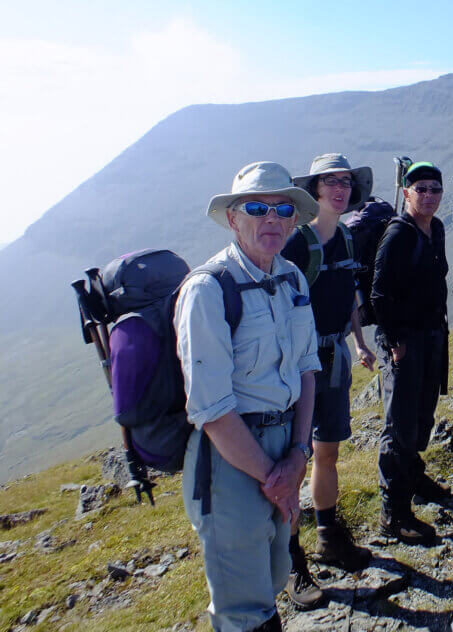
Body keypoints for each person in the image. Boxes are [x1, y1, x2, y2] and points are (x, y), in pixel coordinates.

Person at [175, 161, 320, 632]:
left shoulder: (293, 279)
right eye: (256, 207)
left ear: (295, 220)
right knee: (244, 610)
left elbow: (307, 369)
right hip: (230, 462)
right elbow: (213, 411)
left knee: (274, 577)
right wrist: (274, 477)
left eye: (282, 208)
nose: (271, 218)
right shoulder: (209, 289)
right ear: (233, 219)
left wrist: (298, 457)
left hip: (284, 449)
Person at [280, 153, 376, 609]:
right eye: (329, 182)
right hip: (299, 365)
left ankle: (328, 536)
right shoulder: (297, 243)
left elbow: (349, 295)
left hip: (334, 355)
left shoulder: (348, 239)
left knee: (328, 451)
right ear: (315, 190)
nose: (339, 188)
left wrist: (357, 342)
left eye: (345, 182)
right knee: (293, 459)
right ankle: (292, 562)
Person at [371, 161, 451, 546]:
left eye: (435, 189)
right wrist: (394, 343)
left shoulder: (436, 229)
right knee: (399, 425)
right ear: (406, 194)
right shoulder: (397, 235)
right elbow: (379, 294)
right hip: (404, 342)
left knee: (422, 414)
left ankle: (414, 478)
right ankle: (394, 513)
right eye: (421, 189)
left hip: (431, 336)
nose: (430, 195)